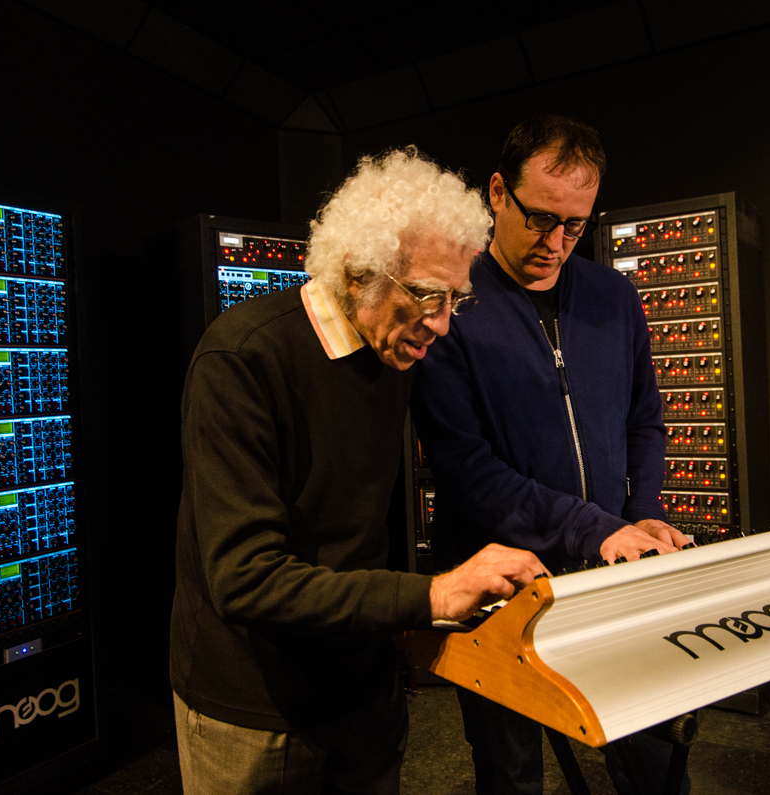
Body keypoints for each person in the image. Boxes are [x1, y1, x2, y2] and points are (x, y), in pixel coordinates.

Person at [170, 147, 547, 795]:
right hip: (261, 710)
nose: (443, 324)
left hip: (367, 689)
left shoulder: (395, 354)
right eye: (428, 295)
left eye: (455, 298)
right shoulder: (242, 358)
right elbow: (245, 579)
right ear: (356, 272)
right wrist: (430, 596)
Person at [411, 115, 692, 794]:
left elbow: (646, 421)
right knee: (511, 774)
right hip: (499, 589)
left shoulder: (615, 298)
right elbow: (466, 468)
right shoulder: (455, 300)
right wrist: (598, 529)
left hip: (611, 573)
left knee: (654, 760)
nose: (557, 243)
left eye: (576, 225)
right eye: (541, 219)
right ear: (498, 194)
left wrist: (644, 514)